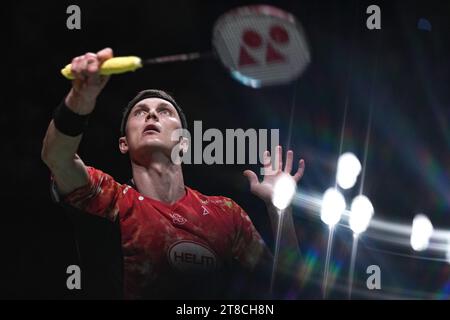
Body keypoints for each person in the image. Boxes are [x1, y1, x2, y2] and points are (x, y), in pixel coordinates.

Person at [41, 47, 306, 299]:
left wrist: (278, 209)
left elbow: (285, 287)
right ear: (124, 143)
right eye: (140, 113)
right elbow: (57, 157)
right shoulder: (110, 198)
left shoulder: (226, 213)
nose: (151, 116)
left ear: (184, 143)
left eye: (164, 111)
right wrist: (81, 97)